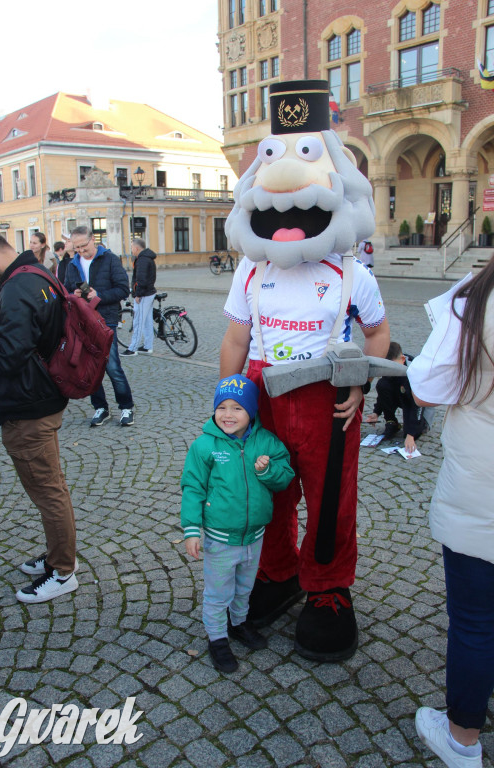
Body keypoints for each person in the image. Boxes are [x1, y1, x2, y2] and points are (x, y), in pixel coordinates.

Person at [220, 80, 390, 662]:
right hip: (265, 393)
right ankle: (278, 573)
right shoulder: (249, 271)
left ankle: (328, 588)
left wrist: (362, 381)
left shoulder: (352, 273)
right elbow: (236, 337)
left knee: (330, 497)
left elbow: (377, 332)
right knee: (269, 489)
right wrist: (227, 397)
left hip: (328, 398)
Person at [408, 257, 494, 768]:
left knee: (476, 623)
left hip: (482, 494)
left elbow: (426, 387)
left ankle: (462, 740)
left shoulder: (479, 300)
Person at [0, 227, 78, 603]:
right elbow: (31, 338)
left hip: (29, 405)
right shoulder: (37, 274)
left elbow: (8, 359)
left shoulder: (18, 286)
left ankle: (62, 571)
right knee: (51, 486)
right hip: (41, 397)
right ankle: (58, 555)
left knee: (48, 491)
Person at [181, 374, 294, 673]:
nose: (228, 415)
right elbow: (192, 488)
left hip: (255, 536)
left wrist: (268, 471)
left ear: (252, 412)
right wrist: (191, 530)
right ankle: (217, 638)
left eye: (237, 408)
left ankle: (238, 624)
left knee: (244, 588)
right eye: (222, 407)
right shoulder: (204, 446)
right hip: (219, 539)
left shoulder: (267, 442)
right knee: (218, 593)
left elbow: (285, 478)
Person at [65, 226, 135, 427]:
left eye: (83, 246)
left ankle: (126, 407)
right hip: (83, 322)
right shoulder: (72, 264)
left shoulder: (110, 259)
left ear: (93, 239)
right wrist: (73, 295)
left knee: (112, 366)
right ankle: (101, 408)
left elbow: (123, 289)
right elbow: (66, 291)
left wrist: (99, 296)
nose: (80, 251)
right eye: (76, 248)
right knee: (90, 369)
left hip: (106, 320)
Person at [365, 341, 434, 452]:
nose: (389, 372)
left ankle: (417, 428)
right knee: (383, 384)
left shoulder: (414, 373)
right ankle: (391, 422)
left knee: (411, 433)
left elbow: (416, 406)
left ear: (402, 359)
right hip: (401, 394)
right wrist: (376, 412)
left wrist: (410, 435)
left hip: (419, 404)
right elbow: (383, 391)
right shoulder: (390, 368)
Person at [121, 238, 157, 357]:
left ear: (136, 248)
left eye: (132, 248)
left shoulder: (142, 260)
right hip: (149, 293)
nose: (131, 250)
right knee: (146, 321)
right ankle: (147, 346)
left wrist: (138, 294)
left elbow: (141, 279)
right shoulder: (147, 258)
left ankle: (133, 348)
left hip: (144, 294)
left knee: (138, 321)